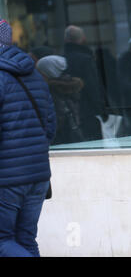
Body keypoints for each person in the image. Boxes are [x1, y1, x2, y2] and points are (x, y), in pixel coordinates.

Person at [0, 19, 56, 257]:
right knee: (26, 239)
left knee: (3, 241)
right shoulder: (34, 74)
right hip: (39, 174)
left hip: (8, 177)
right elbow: (51, 126)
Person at [63, 25, 104, 141]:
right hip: (89, 112)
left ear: (66, 40)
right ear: (83, 39)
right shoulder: (86, 59)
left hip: (71, 112)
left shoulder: (62, 59)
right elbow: (93, 87)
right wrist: (101, 109)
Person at [36, 55, 84, 145]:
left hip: (59, 144)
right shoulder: (70, 88)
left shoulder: (51, 92)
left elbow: (56, 123)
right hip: (72, 141)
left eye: (39, 72)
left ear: (48, 73)